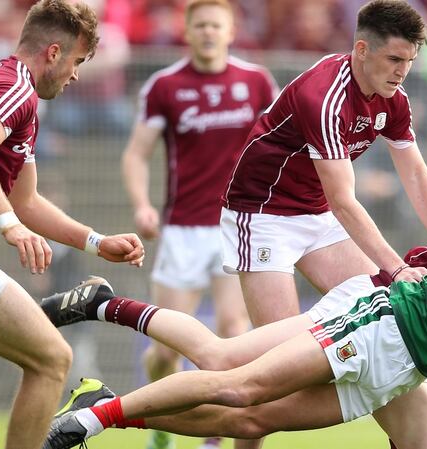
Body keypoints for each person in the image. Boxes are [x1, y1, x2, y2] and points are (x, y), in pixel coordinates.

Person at [42, 173, 427, 449]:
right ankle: (97, 410)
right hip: (381, 320)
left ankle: (103, 405)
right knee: (236, 380)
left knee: (253, 419)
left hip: (407, 368)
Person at [219, 0, 427, 446]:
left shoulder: (393, 100)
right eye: (395, 59)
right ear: (361, 49)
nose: (403, 71)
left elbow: (417, 175)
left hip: (315, 213)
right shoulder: (324, 97)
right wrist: (396, 269)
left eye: (410, 61)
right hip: (262, 217)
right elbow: (346, 201)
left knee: (389, 325)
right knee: (279, 368)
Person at [119, 1, 277, 448]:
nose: (208, 32)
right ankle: (161, 430)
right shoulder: (164, 85)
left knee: (234, 331)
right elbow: (136, 153)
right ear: (187, 32)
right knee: (167, 350)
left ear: (231, 31)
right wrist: (142, 205)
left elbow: (281, 141)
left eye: (216, 25)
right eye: (200, 25)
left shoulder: (256, 81)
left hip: (238, 226)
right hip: (183, 229)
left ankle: (217, 433)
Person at [0, 2, 144, 449]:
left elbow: (28, 201)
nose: (75, 74)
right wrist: (7, 225)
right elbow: (16, 213)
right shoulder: (13, 89)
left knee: (50, 357)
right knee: (51, 357)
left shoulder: (18, 97)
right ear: (54, 52)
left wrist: (96, 243)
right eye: (77, 61)